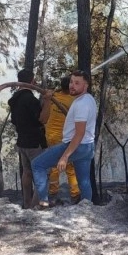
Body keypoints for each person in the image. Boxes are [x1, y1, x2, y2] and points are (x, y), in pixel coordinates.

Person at [32, 70, 97, 209]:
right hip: (87, 147)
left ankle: (43, 203)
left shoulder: (81, 104)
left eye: (77, 83)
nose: (72, 86)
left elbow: (79, 133)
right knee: (84, 181)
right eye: (71, 82)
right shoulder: (88, 99)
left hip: (76, 146)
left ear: (85, 86)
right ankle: (87, 209)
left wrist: (65, 156)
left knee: (37, 164)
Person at [7, 69, 50, 209]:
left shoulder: (15, 99)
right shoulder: (29, 99)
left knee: (27, 172)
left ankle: (27, 203)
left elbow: (15, 120)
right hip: (34, 143)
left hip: (22, 142)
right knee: (41, 173)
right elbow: (43, 119)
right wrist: (48, 100)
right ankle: (36, 205)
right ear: (32, 81)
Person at [41, 76, 80, 204]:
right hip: (64, 138)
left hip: (50, 136)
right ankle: (75, 194)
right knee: (69, 166)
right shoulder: (73, 101)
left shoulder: (53, 97)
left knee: (54, 166)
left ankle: (53, 193)